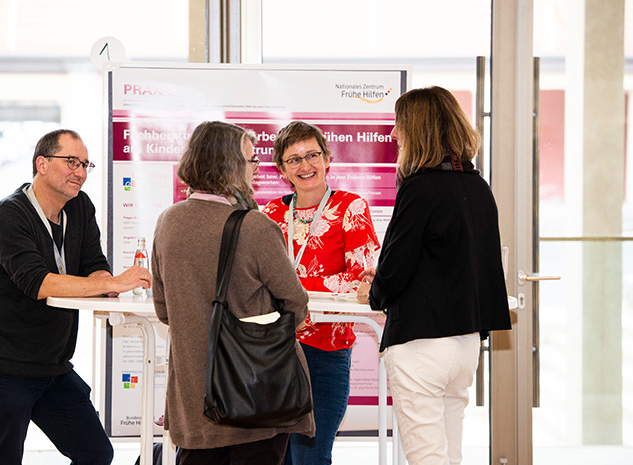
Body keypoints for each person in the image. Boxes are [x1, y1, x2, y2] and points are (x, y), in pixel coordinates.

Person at [0, 129, 152, 465]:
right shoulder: (8, 215)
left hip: (53, 369)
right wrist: (115, 282)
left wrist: (109, 283)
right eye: (71, 162)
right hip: (2, 369)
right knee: (3, 460)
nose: (80, 172)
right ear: (42, 164)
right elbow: (40, 283)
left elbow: (94, 265)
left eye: (85, 165)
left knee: (96, 453)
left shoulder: (79, 207)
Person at [357, 86, 512, 465]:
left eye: (399, 125)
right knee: (448, 454)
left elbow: (395, 268)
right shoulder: (477, 186)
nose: (394, 134)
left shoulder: (420, 188)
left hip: (422, 344)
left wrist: (372, 292)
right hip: (464, 343)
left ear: (418, 129)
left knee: (427, 457)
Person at [150, 121, 314, 465]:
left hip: (196, 400)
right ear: (229, 165)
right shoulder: (255, 226)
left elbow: (165, 310)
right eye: (251, 161)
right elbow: (296, 304)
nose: (255, 170)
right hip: (254, 400)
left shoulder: (168, 222)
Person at [262, 120, 380, 464]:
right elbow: (254, 279)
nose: (305, 166)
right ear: (282, 169)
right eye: (293, 159)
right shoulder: (269, 214)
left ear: (327, 158)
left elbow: (360, 280)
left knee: (311, 456)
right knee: (273, 456)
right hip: (272, 351)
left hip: (324, 350)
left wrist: (287, 286)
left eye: (312, 155)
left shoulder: (350, 207)